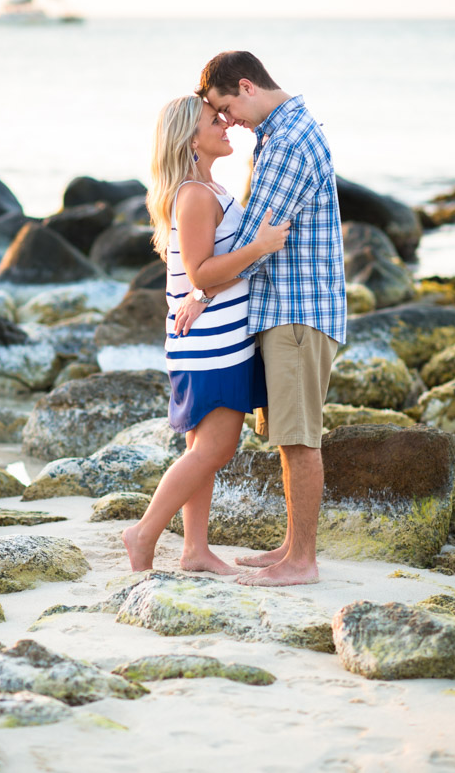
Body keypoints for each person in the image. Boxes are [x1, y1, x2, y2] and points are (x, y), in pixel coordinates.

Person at [174, 51, 347, 587]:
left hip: (298, 311)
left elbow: (256, 242)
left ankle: (302, 562)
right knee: (288, 435)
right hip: (286, 310)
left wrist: (202, 290)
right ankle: (293, 547)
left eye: (228, 107)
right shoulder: (281, 133)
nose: (231, 122)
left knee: (299, 439)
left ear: (247, 87)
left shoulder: (288, 143)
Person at [121, 95, 290, 575]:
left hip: (214, 335)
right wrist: (258, 247)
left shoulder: (208, 188)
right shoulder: (194, 195)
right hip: (210, 344)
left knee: (203, 451)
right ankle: (143, 532)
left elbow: (203, 279)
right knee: (214, 450)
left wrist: (206, 290)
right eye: (213, 120)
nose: (225, 124)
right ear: (190, 138)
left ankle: (195, 550)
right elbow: (201, 271)